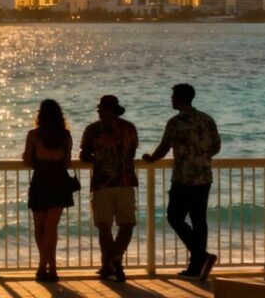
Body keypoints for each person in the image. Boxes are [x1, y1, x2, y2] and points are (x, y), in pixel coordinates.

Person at [142, 83, 221, 281]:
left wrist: (151, 159)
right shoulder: (207, 119)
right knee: (199, 220)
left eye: (173, 97)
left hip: (184, 179)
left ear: (180, 98)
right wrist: (200, 157)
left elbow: (164, 147)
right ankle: (197, 264)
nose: (171, 100)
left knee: (174, 217)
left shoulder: (176, 122)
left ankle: (200, 257)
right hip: (204, 177)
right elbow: (216, 147)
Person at [79, 95, 138, 282]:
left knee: (104, 227)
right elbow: (132, 152)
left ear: (109, 110)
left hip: (102, 182)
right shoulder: (129, 128)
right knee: (126, 224)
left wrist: (99, 159)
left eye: (101, 109)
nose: (98, 112)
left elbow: (84, 155)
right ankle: (114, 261)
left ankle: (110, 262)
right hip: (126, 180)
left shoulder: (93, 130)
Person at [21, 99, 75, 283]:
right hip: (59, 181)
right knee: (51, 228)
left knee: (40, 228)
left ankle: (43, 267)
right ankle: (50, 269)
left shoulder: (34, 135)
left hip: (41, 181)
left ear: (40, 115)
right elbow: (67, 162)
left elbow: (28, 159)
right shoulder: (66, 136)